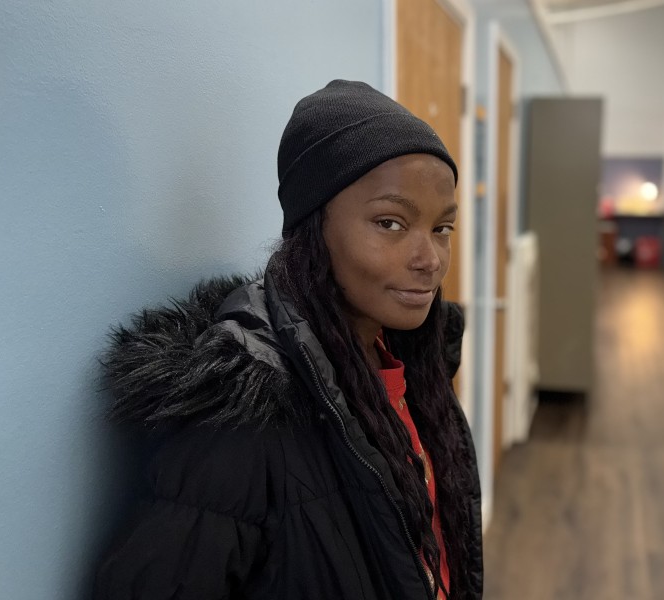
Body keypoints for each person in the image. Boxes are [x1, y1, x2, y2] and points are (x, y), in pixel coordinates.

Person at [95, 80, 483, 600]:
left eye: (442, 229)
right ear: (313, 227)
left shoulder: (415, 366)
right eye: (391, 223)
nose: (430, 259)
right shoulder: (242, 417)